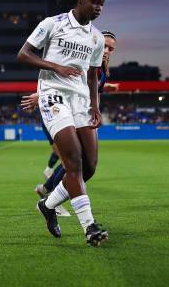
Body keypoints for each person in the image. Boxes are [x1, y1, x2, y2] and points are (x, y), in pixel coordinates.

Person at [16, 0, 108, 246]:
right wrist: (55, 67)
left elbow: (93, 75)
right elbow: (23, 54)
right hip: (53, 95)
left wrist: (96, 106)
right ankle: (90, 226)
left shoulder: (96, 37)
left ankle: (48, 204)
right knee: (73, 161)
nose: (99, 8)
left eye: (102, 4)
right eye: (94, 2)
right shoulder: (52, 24)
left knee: (90, 166)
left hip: (81, 101)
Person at [22, 30, 118, 211]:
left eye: (110, 49)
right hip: (59, 112)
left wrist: (95, 111)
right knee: (72, 161)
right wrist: (40, 95)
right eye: (104, 45)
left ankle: (47, 192)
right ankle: (51, 198)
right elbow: (62, 85)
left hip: (81, 117)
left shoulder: (101, 71)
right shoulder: (81, 62)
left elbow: (94, 93)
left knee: (77, 162)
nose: (106, 50)